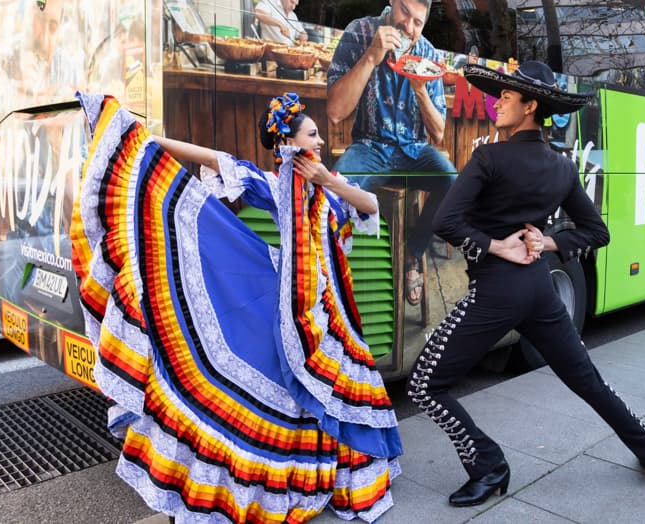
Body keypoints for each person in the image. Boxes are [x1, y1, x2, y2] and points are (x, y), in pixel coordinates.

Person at [70, 92, 402, 523]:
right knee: (301, 395)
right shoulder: (275, 185)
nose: (320, 141)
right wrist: (148, 143)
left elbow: (370, 205)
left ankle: (339, 475)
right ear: (289, 142)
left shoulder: (332, 185)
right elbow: (216, 158)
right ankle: (283, 480)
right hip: (300, 306)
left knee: (335, 391)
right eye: (312, 134)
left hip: (335, 306)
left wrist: (325, 179)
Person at [407, 61, 645, 508]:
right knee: (586, 380)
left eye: (507, 97)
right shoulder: (562, 167)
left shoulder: (489, 158)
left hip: (497, 292)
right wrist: (547, 242)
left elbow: (446, 221)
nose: (497, 103)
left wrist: (497, 246)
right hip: (539, 290)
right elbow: (597, 232)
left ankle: (489, 466)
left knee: (424, 384)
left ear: (530, 107)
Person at [326, 0, 456, 306]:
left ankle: (414, 252)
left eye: (418, 22)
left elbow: (438, 133)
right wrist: (371, 56)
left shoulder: (428, 54)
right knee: (332, 193)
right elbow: (336, 112)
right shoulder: (359, 32)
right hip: (370, 147)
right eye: (404, 12)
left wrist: (421, 91)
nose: (408, 27)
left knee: (453, 182)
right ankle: (334, 274)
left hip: (414, 151)